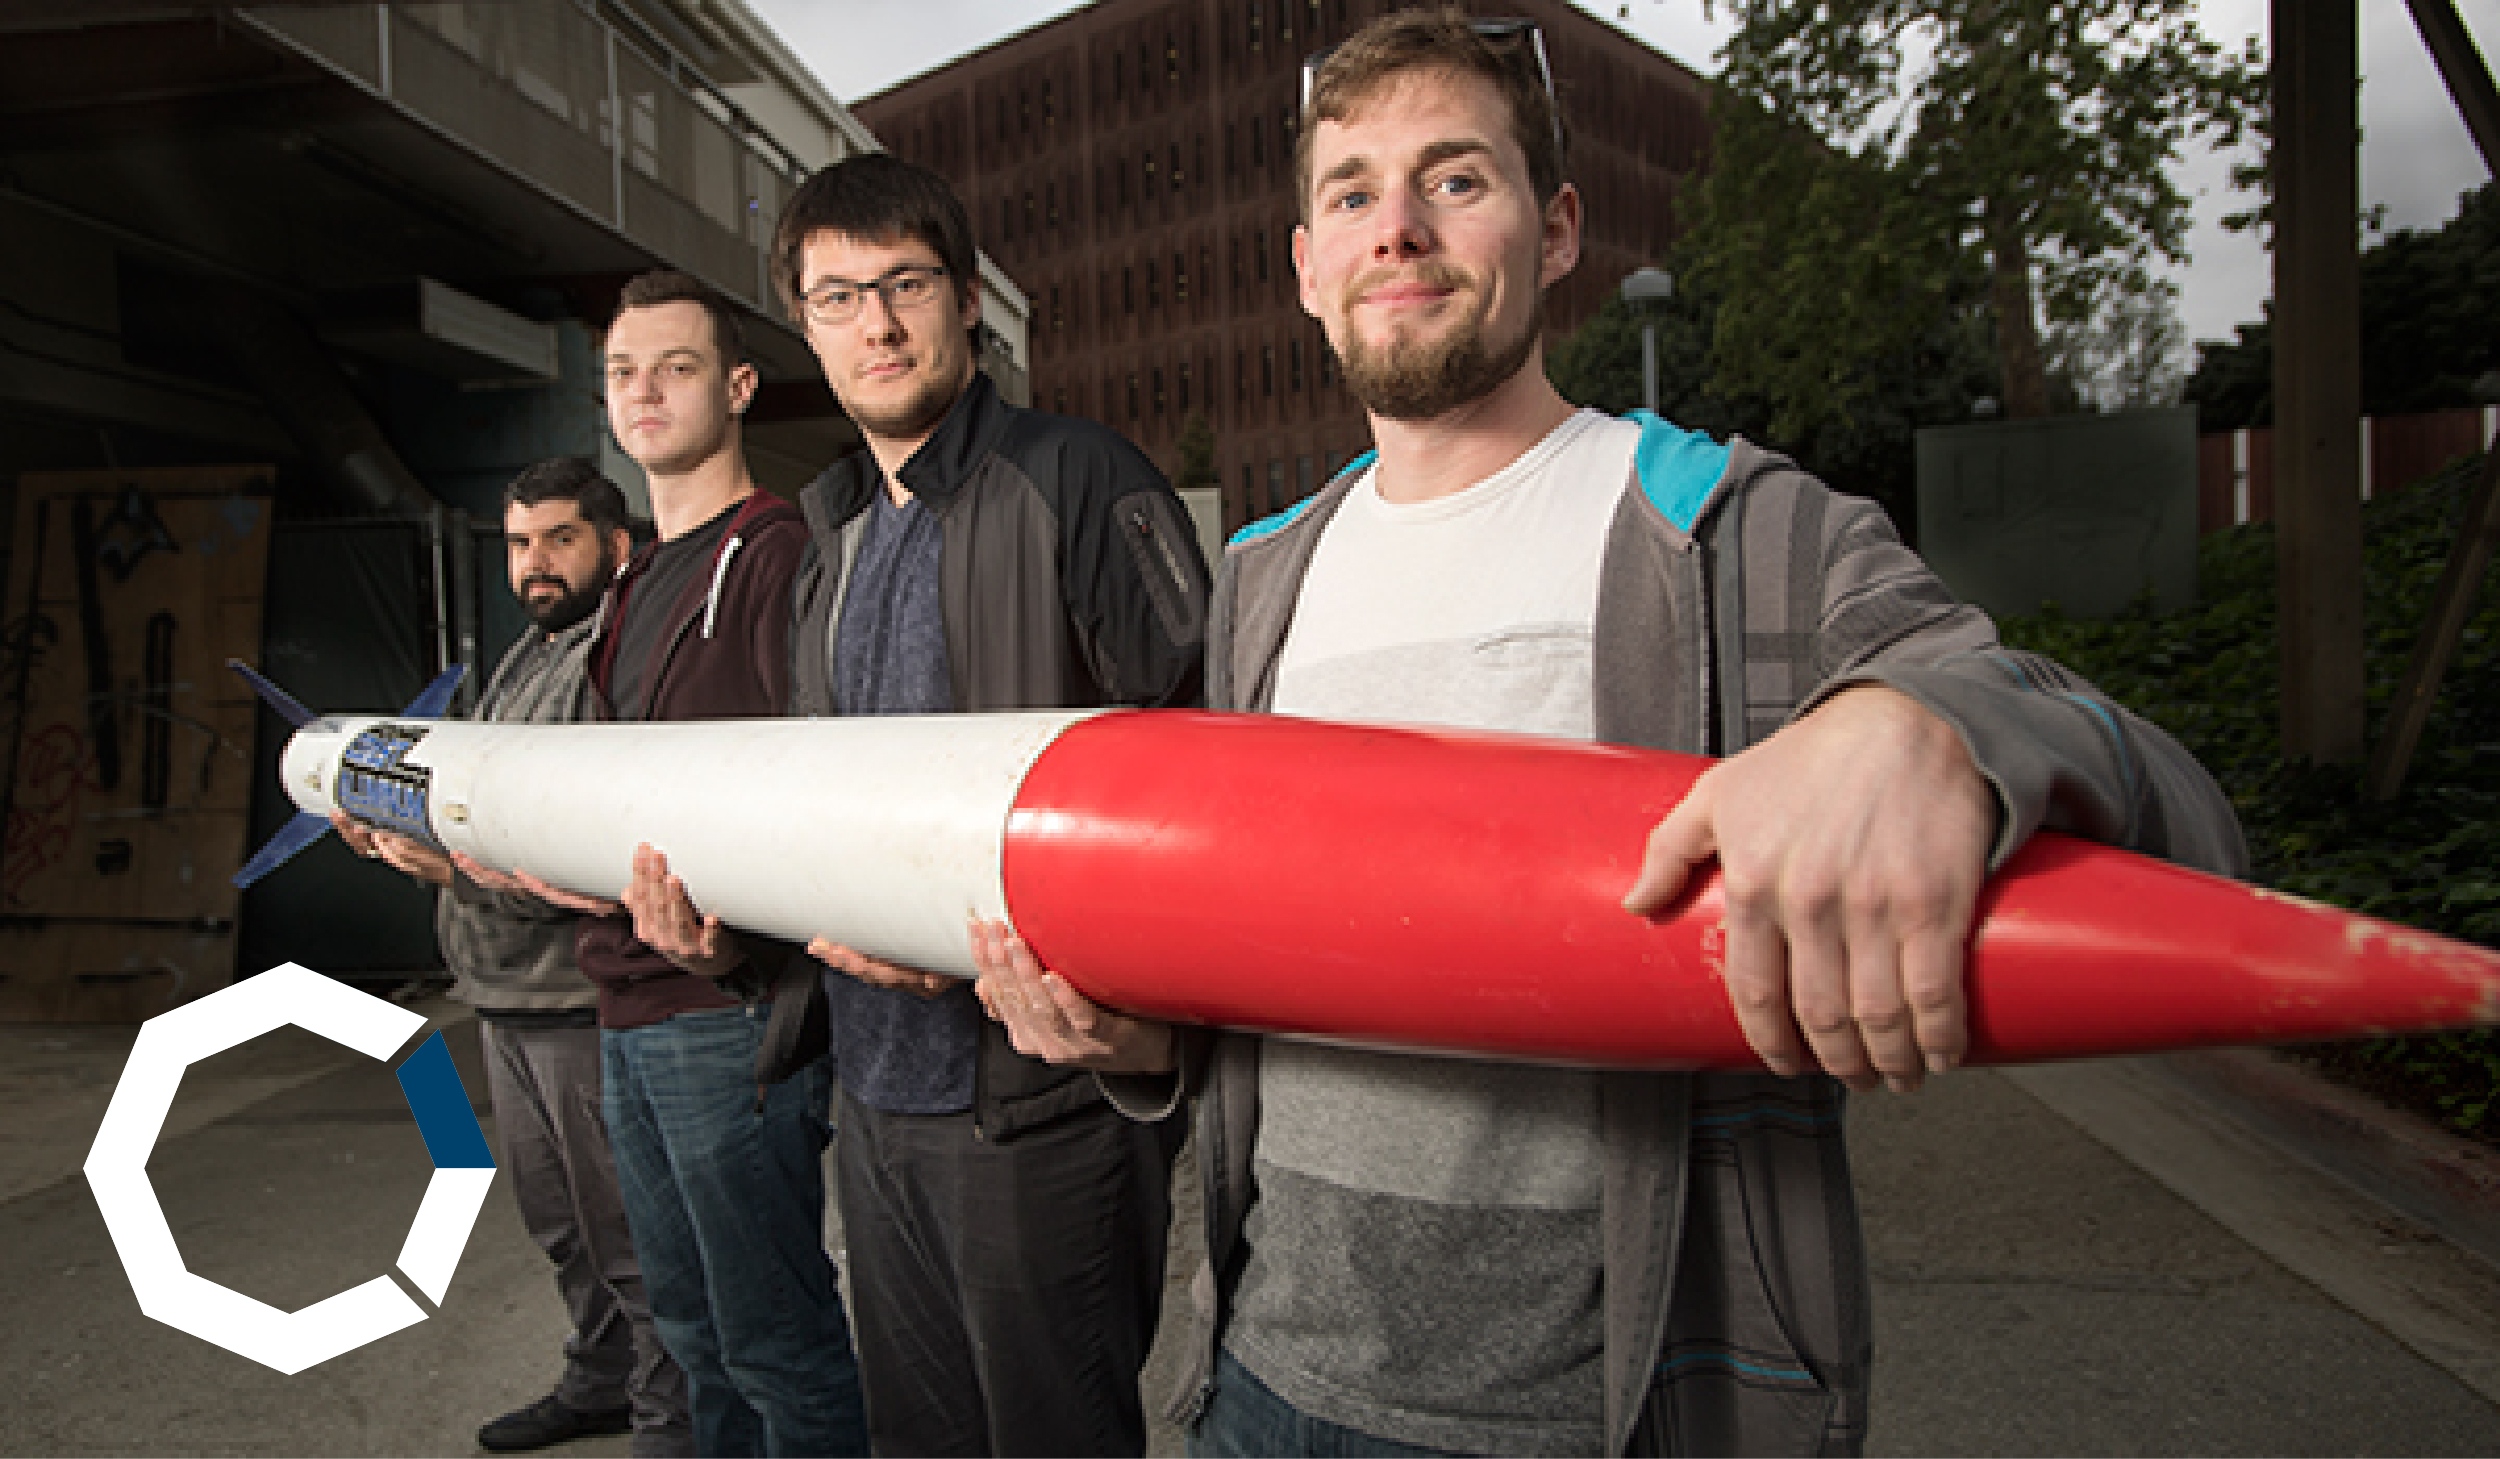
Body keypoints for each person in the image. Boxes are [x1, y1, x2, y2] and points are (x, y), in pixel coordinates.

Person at [969, 10, 2251, 1458]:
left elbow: (2179, 811)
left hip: (1617, 1411)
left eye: (1455, 178)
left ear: (1558, 226)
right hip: (1267, 1388)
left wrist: (1928, 725)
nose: (1398, 228)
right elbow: (1292, 964)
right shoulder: (1264, 575)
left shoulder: (1728, 529)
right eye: (1352, 193)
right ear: (1306, 266)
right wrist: (1139, 1034)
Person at [634, 151, 1210, 1457]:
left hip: (1043, 1102)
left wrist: (1130, 1026)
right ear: (805, 323)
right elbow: (822, 825)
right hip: (876, 1104)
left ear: (965, 301)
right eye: (839, 296)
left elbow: (1190, 793)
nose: (877, 324)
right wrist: (731, 943)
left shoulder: (1079, 480)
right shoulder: (828, 539)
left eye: (905, 283)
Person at [483, 270, 867, 1458]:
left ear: (739, 386)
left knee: (772, 1341)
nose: (643, 390)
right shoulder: (638, 574)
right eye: (621, 372)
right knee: (691, 1335)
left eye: (677, 366)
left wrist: (735, 938)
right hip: (627, 1004)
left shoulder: (777, 552)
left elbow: (808, 792)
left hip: (724, 1010)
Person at [334, 458, 691, 1456]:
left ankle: (673, 1423)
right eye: (518, 543)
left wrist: (451, 872)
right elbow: (471, 804)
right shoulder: (526, 656)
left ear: (615, 546)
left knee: (628, 1234)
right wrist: (387, 823)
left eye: (557, 540)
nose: (533, 563)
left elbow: (577, 851)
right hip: (501, 995)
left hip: (579, 998)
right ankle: (602, 1377)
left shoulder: (608, 660)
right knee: (560, 1222)